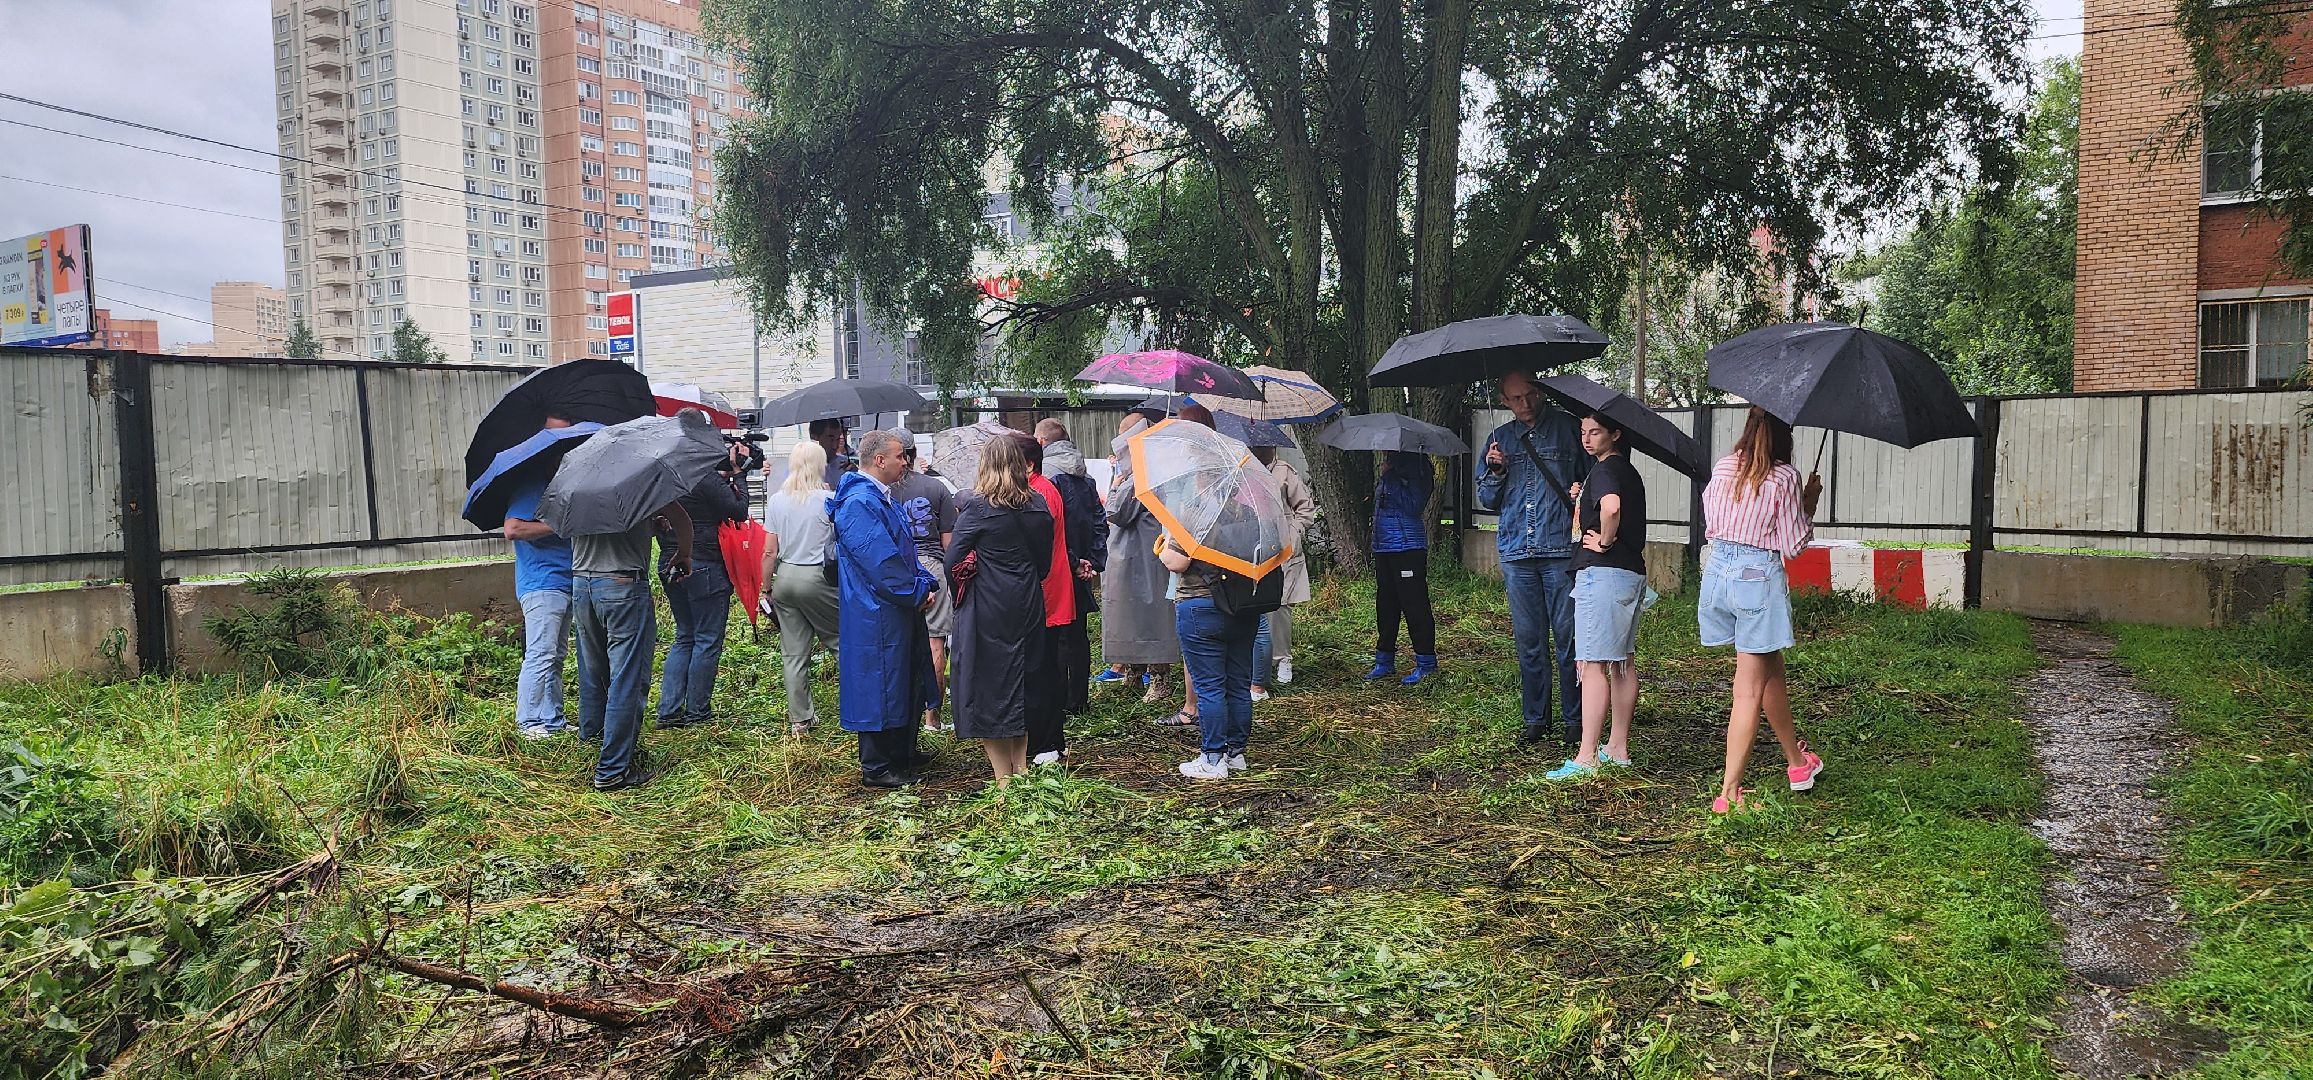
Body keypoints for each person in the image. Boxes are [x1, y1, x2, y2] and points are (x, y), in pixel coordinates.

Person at [1701, 407, 1826, 814]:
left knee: (1770, 671)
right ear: (1782, 434)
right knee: (1748, 689)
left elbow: (1711, 526)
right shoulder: (1784, 477)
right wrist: (1808, 504)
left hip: (1718, 574)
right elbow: (1792, 545)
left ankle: (1796, 764)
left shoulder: (1722, 467)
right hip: (1756, 579)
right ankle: (1729, 794)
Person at [1479, 370, 1586, 747]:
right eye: (1515, 399)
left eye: (1529, 395)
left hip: (1559, 549)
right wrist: (1495, 471)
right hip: (1515, 552)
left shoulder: (1570, 429)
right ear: (1504, 401)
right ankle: (1536, 719)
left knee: (1569, 640)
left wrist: (1580, 496)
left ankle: (1576, 720)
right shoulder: (1499, 440)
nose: (1524, 404)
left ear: (1539, 391)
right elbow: (1487, 501)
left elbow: (1591, 484)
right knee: (1529, 642)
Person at [829, 430, 940, 788]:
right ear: (879, 460)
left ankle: (901, 750)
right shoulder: (860, 502)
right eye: (898, 456)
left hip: (891, 606)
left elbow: (903, 552)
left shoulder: (879, 497)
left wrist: (923, 581)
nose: (904, 461)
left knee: (902, 677)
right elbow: (882, 562)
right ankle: (877, 765)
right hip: (875, 609)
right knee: (879, 683)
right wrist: (917, 589)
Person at [943, 435, 1055, 785]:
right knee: (1023, 680)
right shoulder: (1039, 505)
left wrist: (971, 577)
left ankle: (1002, 778)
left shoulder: (978, 508)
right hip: (1027, 601)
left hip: (988, 604)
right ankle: (1021, 767)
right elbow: (1044, 564)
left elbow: (951, 560)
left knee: (989, 685)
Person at [1548, 412, 1649, 781]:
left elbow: (1612, 508)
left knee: (1591, 665)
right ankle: (1616, 748)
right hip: (1629, 573)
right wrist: (1583, 497)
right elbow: (1610, 503)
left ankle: (1586, 755)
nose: (1587, 439)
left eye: (1596, 432)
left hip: (1602, 574)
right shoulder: (1625, 471)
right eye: (1583, 432)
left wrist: (1604, 540)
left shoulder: (1606, 469)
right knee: (1622, 662)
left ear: (1616, 433)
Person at [568, 499, 692, 792]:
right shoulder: (639, 484)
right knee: (627, 679)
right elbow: (681, 519)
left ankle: (591, 745)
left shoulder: (575, 486)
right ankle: (612, 771)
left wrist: (646, 526)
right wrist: (684, 554)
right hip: (622, 585)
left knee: (593, 674)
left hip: (581, 585)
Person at [655, 423, 751, 730]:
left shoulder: (663, 473)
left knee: (684, 636)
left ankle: (669, 712)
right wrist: (738, 475)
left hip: (668, 562)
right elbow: (738, 510)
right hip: (704, 562)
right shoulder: (702, 474)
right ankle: (698, 712)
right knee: (707, 639)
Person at [1160, 520, 1263, 780]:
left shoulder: (1198, 512)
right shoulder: (1252, 516)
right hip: (1243, 606)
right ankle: (1235, 754)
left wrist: (1165, 544)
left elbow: (1176, 562)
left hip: (1200, 606)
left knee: (1209, 686)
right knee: (1239, 684)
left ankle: (1212, 758)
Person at [1102, 410, 1186, 713]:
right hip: (1132, 553)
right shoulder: (1149, 470)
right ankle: (1135, 672)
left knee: (1152, 615)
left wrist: (1117, 484)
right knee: (1128, 612)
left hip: (1146, 555)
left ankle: (1158, 677)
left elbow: (1116, 510)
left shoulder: (1145, 473)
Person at [763, 441, 840, 737]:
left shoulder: (777, 500)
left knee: (793, 654)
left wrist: (766, 588)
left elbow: (769, 551)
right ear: (820, 465)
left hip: (786, 578)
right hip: (818, 578)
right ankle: (856, 708)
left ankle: (800, 719)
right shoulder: (829, 499)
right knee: (841, 642)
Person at [887, 430, 959, 730]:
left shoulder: (883, 491)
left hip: (896, 570)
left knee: (898, 645)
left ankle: (903, 717)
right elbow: (949, 544)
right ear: (914, 453)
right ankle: (933, 718)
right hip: (932, 567)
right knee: (935, 644)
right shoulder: (936, 488)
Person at [1014, 434, 1079, 764]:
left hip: (1046, 593)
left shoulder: (1039, 492)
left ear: (1028, 464)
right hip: (1048, 592)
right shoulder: (1039, 489)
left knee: (1043, 671)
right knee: (1044, 667)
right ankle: (1049, 739)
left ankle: (1047, 741)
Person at [1037, 419, 1108, 719]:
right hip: (1083, 566)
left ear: (1041, 443)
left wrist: (1073, 562)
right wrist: (1092, 561)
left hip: (1058, 565)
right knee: (1077, 634)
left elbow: (1051, 527)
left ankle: (1060, 700)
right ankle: (1079, 699)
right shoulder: (1085, 476)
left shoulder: (1047, 476)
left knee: (1055, 635)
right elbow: (1098, 520)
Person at [500, 462, 573, 741]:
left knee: (555, 656)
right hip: (543, 583)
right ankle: (528, 722)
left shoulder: (558, 489)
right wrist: (557, 526)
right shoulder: (532, 487)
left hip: (564, 581)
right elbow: (513, 529)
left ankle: (553, 720)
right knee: (541, 654)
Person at [1367, 450, 1439, 685]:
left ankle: (1426, 662)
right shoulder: (1392, 465)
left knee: (1414, 605)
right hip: (1384, 546)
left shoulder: (1418, 467)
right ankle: (1384, 660)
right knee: (1386, 604)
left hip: (1407, 546)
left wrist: (1390, 478)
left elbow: (1414, 505)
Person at [1250, 445, 1314, 699]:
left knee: (1280, 605)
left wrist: (1294, 532)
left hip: (1283, 547)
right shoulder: (1246, 470)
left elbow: (1305, 509)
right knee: (1255, 604)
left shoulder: (1285, 471)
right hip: (1253, 545)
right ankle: (1257, 664)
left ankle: (1283, 658)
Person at [810, 418, 853, 487]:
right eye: (831, 439)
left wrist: (856, 475)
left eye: (838, 439)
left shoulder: (844, 465)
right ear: (815, 438)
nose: (835, 446)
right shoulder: (800, 468)